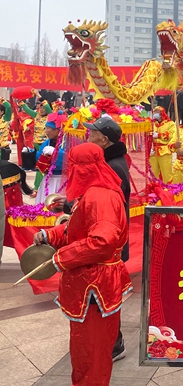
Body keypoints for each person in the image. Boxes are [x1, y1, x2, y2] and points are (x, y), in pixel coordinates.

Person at [33, 143, 132, 386]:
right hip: (87, 282)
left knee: (92, 354)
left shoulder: (101, 196)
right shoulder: (93, 191)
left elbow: (102, 241)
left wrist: (61, 258)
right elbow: (77, 228)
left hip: (95, 285)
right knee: (83, 350)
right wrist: (50, 236)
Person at [84, 116, 132, 361]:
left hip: (109, 242)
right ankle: (110, 341)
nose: (88, 136)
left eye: (92, 133)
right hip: (110, 239)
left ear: (104, 139)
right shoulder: (110, 160)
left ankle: (114, 344)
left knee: (106, 295)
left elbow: (104, 206)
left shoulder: (113, 166)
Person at [34, 111, 67, 205]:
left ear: (58, 130)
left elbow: (69, 160)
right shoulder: (46, 143)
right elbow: (39, 161)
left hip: (62, 180)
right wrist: (31, 155)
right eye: (46, 128)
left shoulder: (67, 142)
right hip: (47, 180)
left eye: (48, 128)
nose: (46, 131)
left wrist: (57, 153)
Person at [150, 106, 176, 184]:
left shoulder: (170, 124)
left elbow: (172, 135)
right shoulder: (152, 124)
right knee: (153, 173)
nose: (155, 113)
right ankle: (155, 187)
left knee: (166, 172)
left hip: (165, 150)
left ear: (162, 113)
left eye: (157, 112)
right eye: (154, 112)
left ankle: (168, 188)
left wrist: (159, 135)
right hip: (153, 151)